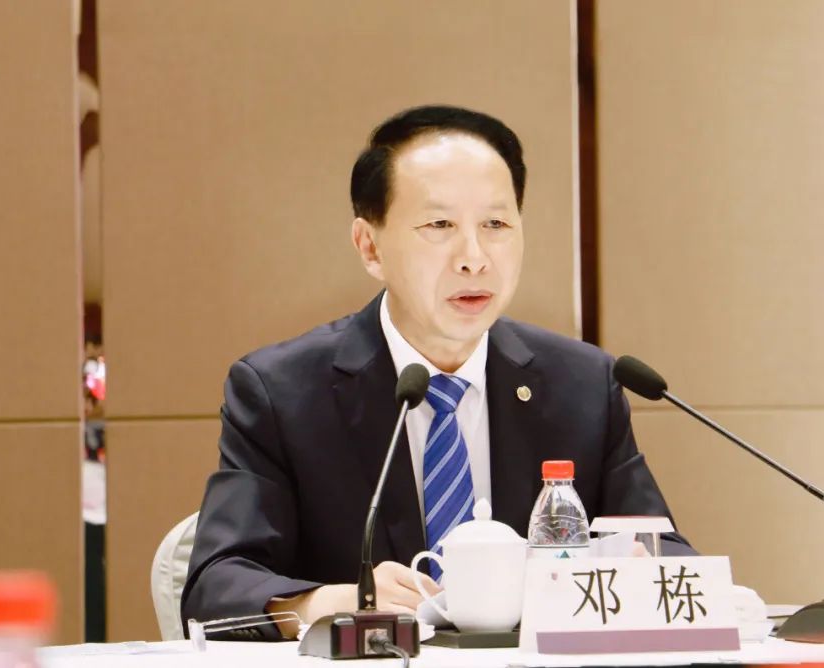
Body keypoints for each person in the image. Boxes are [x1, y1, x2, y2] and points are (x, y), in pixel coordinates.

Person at [181, 105, 695, 640]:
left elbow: (667, 553)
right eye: (440, 225)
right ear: (370, 246)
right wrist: (332, 601)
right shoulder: (282, 391)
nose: (474, 258)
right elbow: (216, 587)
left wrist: (639, 573)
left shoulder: (583, 385)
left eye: (496, 224)